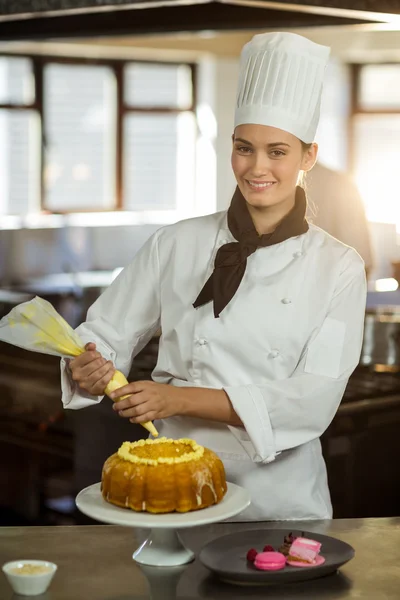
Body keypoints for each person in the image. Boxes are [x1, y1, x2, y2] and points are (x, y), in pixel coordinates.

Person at [62, 32, 367, 521]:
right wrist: (90, 367)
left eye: (277, 151)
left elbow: (312, 398)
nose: (257, 167)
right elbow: (104, 334)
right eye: (245, 149)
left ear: (308, 156)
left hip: (280, 497)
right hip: (173, 482)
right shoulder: (176, 242)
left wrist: (177, 397)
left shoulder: (339, 266)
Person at [306, 161, 374, 277]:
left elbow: (361, 259)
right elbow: (362, 259)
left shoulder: (339, 184)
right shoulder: (339, 182)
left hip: (327, 283)